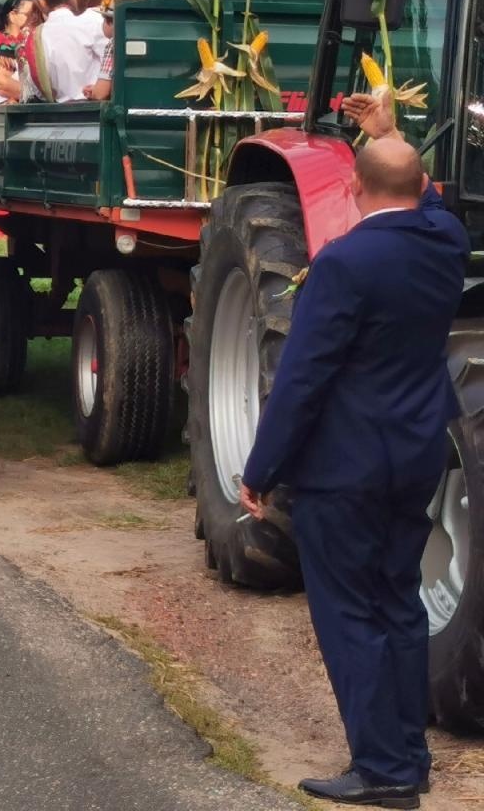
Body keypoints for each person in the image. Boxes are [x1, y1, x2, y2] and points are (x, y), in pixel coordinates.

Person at [240, 90, 468, 809]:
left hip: (345, 467)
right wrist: (392, 135)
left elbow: (303, 378)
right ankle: (409, 755)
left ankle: (383, 769)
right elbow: (424, 200)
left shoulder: (344, 263)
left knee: (349, 617)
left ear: (353, 187)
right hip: (416, 454)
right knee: (398, 606)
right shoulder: (446, 240)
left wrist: (261, 469)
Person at [32, 0, 108, 103]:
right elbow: (112, 61)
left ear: (41, 2)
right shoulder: (92, 20)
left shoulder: (38, 35)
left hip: (59, 108)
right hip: (97, 104)